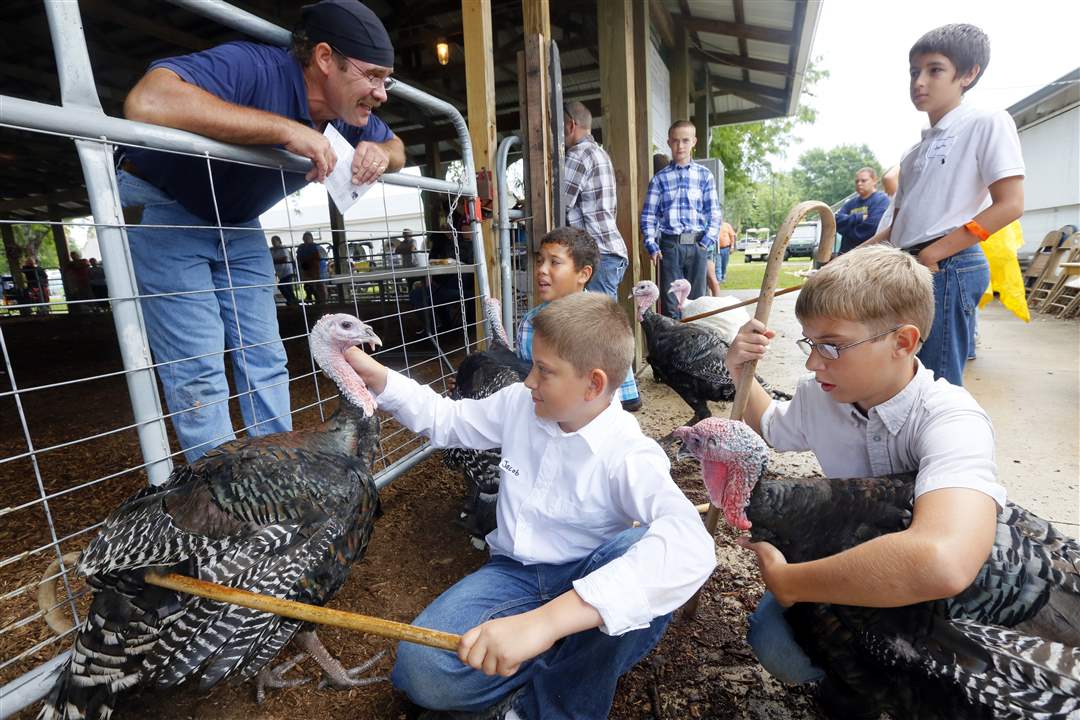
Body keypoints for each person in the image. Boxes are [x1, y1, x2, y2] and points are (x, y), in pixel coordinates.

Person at [345, 292, 715, 720]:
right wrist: (376, 375)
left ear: (593, 384)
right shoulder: (519, 405)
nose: (528, 381)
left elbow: (691, 544)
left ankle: (541, 707)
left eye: (544, 370)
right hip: (514, 577)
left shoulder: (630, 452)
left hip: (587, 576)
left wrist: (545, 624)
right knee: (419, 671)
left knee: (639, 548)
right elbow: (447, 420)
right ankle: (570, 661)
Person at [117, 0, 404, 462]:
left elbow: (397, 145)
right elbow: (148, 101)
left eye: (384, 80)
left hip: (237, 219)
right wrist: (286, 131)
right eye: (371, 76)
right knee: (199, 368)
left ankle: (277, 475)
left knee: (265, 357)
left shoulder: (349, 114)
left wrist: (381, 154)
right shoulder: (254, 65)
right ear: (326, 59)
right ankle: (224, 502)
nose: (381, 93)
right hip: (164, 202)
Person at [725, 245, 1004, 688]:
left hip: (945, 601)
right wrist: (741, 372)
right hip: (857, 564)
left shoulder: (951, 418)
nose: (814, 363)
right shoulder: (820, 396)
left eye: (832, 346)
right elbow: (773, 428)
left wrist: (791, 582)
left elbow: (944, 561)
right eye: (810, 343)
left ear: (903, 342)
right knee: (775, 641)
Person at [864, 23, 1024, 386]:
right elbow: (898, 227)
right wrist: (847, 261)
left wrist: (934, 254)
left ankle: (940, 444)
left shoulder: (986, 122)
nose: (919, 82)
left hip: (948, 266)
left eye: (935, 70)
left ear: (968, 74)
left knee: (937, 383)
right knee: (904, 378)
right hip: (910, 265)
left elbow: (1010, 205)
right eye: (914, 72)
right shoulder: (913, 152)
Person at [515, 227, 641, 413]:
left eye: (554, 262)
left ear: (583, 274)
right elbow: (525, 380)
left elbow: (624, 399)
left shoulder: (605, 322)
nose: (541, 269)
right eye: (540, 261)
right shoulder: (531, 322)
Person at [640, 120, 721, 317]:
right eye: (675, 141)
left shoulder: (705, 176)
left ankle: (694, 346)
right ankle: (674, 347)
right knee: (671, 305)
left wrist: (706, 242)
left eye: (685, 140)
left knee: (696, 303)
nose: (680, 146)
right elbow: (649, 215)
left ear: (694, 141)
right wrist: (651, 244)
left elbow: (714, 212)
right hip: (670, 247)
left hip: (697, 245)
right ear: (669, 142)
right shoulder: (659, 179)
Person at [562, 102, 628, 298]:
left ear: (571, 125)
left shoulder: (578, 155)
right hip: (609, 251)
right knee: (602, 320)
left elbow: (560, 203)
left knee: (600, 325)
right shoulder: (599, 153)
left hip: (599, 254)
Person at [835, 168, 889, 255]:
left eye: (863, 181)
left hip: (869, 255)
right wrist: (859, 218)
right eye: (857, 181)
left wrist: (846, 232)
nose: (859, 183)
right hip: (846, 256)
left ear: (874, 181)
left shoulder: (882, 200)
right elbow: (837, 221)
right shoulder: (850, 203)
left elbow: (872, 228)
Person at [296, 231, 328, 304]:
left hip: (318, 269)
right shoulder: (301, 248)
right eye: (305, 238)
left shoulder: (317, 247)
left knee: (320, 285)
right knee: (308, 285)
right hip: (307, 269)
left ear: (312, 238)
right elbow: (298, 258)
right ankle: (316, 299)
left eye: (308, 238)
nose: (306, 240)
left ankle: (323, 302)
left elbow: (323, 258)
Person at [706, 220, 736, 294]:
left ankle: (722, 277)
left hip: (725, 248)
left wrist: (732, 246)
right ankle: (719, 278)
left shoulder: (727, 225)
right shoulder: (713, 225)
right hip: (716, 249)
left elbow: (732, 236)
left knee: (724, 264)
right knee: (717, 265)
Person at [269, 235, 298, 306]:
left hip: (287, 271)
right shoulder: (272, 250)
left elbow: (284, 258)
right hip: (280, 272)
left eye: (275, 241)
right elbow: (270, 260)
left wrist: (274, 261)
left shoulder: (283, 248)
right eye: (272, 241)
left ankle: (292, 301)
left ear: (279, 241)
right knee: (286, 287)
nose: (273, 243)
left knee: (284, 286)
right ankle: (292, 301)